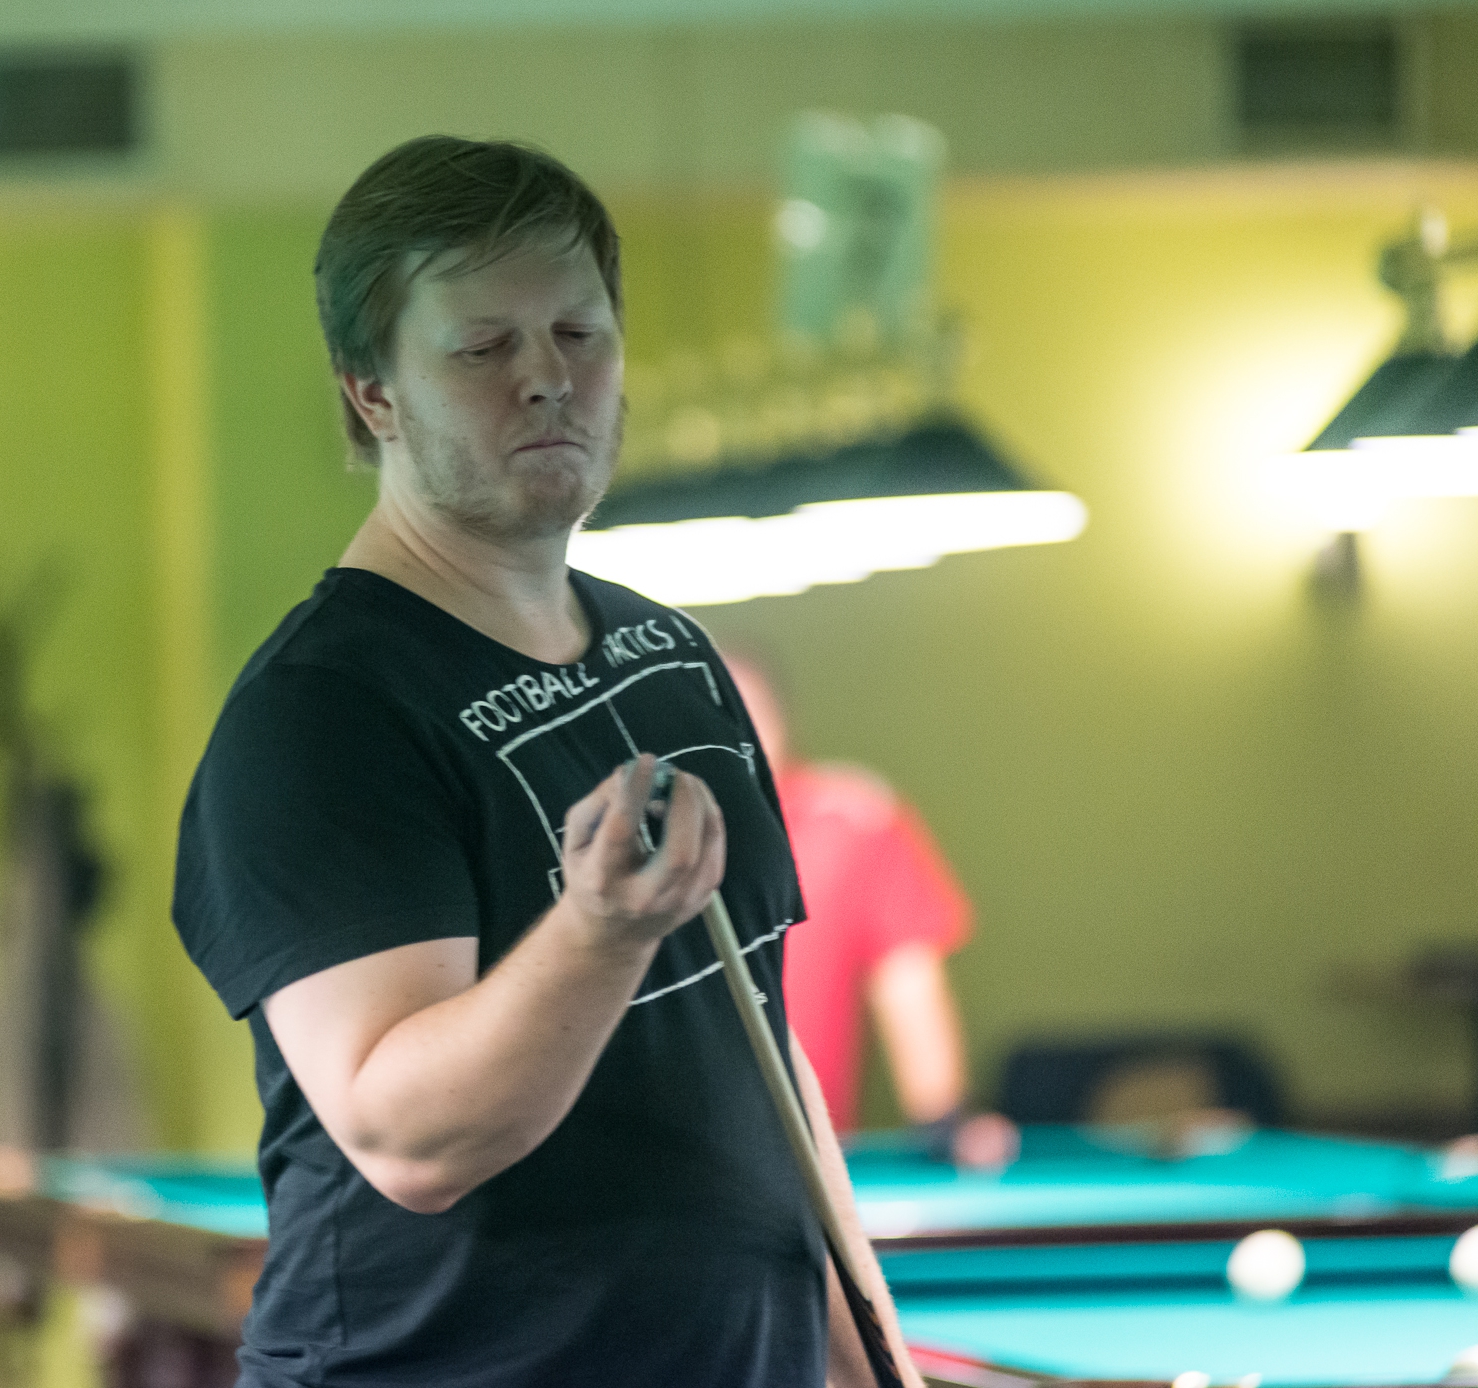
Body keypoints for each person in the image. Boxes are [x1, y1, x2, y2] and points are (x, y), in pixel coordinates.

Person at [173, 136, 920, 1388]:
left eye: (580, 334)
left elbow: (765, 1065)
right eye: (483, 348)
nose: (547, 380)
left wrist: (875, 1369)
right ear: (374, 394)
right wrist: (599, 932)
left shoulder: (670, 656)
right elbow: (408, 1139)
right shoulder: (321, 713)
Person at [725, 659, 1017, 1172]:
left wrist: (946, 1123)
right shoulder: (609, 835)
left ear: (778, 722)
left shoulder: (852, 819)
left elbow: (908, 984)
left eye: (740, 710)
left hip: (806, 1171)